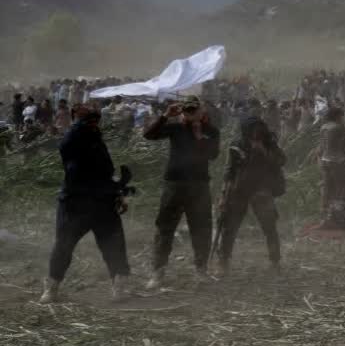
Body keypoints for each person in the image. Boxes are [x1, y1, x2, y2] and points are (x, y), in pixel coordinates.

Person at [40, 106, 132, 303]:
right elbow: (72, 157)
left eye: (94, 120)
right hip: (77, 203)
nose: (93, 124)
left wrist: (118, 191)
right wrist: (80, 124)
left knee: (113, 245)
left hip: (101, 202)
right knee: (64, 245)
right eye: (90, 120)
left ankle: (119, 287)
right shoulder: (74, 139)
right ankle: (51, 288)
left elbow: (104, 172)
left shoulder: (94, 139)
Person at [143, 97, 221, 289]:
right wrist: (165, 116)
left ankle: (201, 270)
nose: (190, 112)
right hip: (175, 183)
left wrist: (199, 136)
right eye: (187, 109)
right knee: (164, 228)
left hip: (199, 185)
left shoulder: (211, 132)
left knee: (201, 228)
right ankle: (158, 273)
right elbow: (149, 135)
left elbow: (213, 155)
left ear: (202, 111)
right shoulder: (176, 128)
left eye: (194, 109)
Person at [213, 116, 286, 276]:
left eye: (258, 130)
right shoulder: (237, 144)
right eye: (252, 130)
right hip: (239, 190)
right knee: (229, 228)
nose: (256, 133)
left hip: (262, 190)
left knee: (269, 227)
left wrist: (263, 151)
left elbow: (281, 160)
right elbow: (229, 170)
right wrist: (224, 195)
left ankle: (275, 262)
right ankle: (223, 261)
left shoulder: (269, 143)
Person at [318, 107, 345, 230]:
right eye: (341, 116)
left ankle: (324, 217)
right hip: (338, 160)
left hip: (325, 160)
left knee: (326, 189)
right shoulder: (339, 127)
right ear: (338, 116)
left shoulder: (324, 127)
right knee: (339, 189)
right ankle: (336, 218)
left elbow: (321, 146)